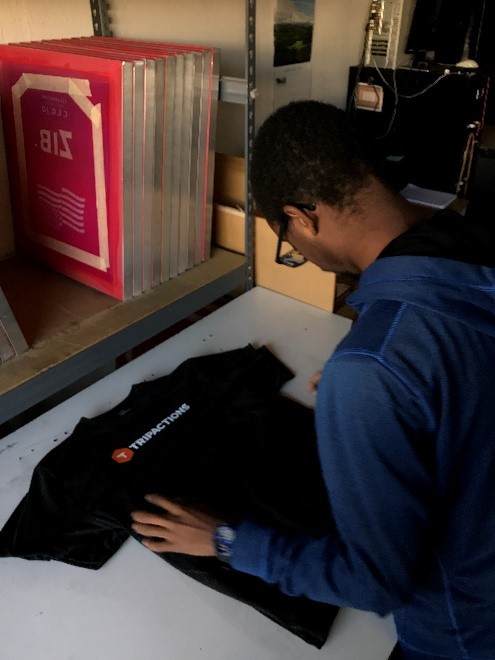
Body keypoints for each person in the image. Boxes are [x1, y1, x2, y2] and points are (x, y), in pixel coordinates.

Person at [131, 100, 495, 659]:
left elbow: (376, 583)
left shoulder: (375, 366)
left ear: (300, 216)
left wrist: (226, 541)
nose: (297, 251)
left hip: (464, 631)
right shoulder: (472, 251)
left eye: (287, 240)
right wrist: (395, 400)